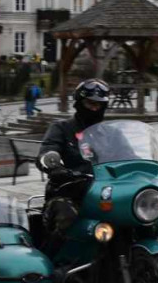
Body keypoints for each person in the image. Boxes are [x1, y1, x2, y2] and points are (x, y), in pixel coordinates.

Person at [37, 79, 110, 236]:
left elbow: (130, 153)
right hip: (70, 192)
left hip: (105, 193)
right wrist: (53, 166)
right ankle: (54, 257)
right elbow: (47, 150)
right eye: (90, 104)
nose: (94, 108)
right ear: (79, 103)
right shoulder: (61, 128)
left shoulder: (110, 133)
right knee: (66, 215)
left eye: (98, 105)